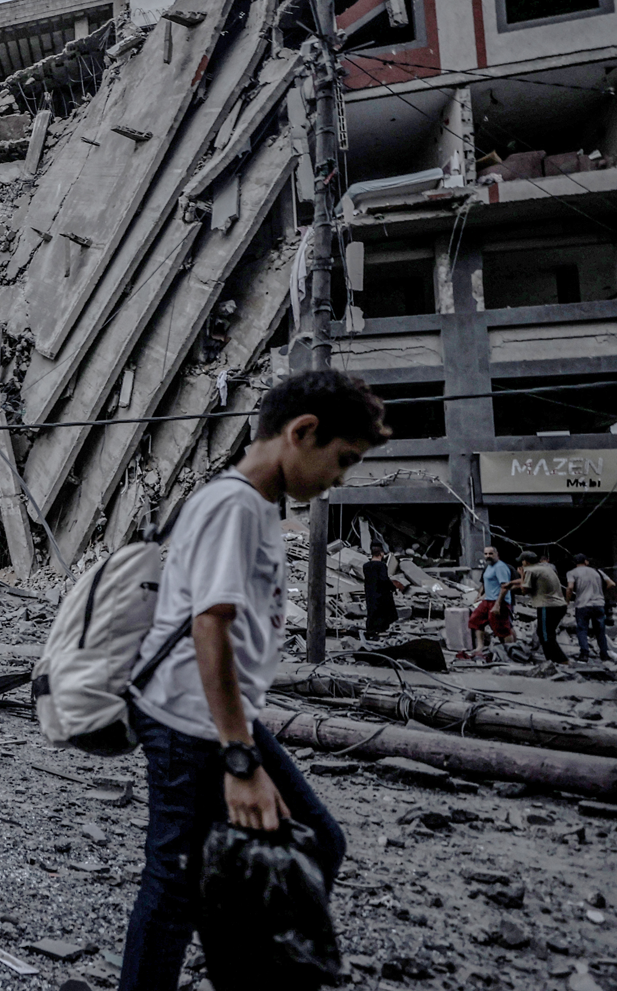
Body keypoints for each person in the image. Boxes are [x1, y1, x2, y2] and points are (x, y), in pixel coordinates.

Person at [121, 370, 386, 991]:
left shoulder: (255, 506)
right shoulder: (234, 506)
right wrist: (240, 759)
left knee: (313, 840)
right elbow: (209, 627)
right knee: (173, 886)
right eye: (343, 459)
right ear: (303, 432)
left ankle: (246, 968)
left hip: (214, 716)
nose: (340, 478)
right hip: (188, 720)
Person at [514, 551, 568, 664]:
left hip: (547, 606)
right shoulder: (546, 568)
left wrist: (522, 575)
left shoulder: (530, 570)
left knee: (545, 635)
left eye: (522, 562)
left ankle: (559, 660)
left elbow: (524, 590)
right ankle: (554, 659)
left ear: (526, 562)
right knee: (547, 633)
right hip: (559, 605)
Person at [565, 553, 616, 662]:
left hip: (582, 605)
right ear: (586, 562)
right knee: (600, 631)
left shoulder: (572, 573)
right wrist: (601, 592)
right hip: (599, 604)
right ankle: (604, 654)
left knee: (582, 629)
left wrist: (567, 601)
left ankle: (584, 654)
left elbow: (570, 587)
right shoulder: (597, 571)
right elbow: (611, 584)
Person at [467, 546, 515, 655]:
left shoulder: (500, 567)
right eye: (486, 554)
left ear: (496, 554)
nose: (488, 556)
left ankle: (510, 651)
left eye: (490, 554)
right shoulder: (489, 566)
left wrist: (498, 604)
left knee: (502, 628)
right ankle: (480, 647)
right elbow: (487, 583)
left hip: (499, 601)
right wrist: (481, 595)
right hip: (487, 600)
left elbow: (504, 587)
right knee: (476, 620)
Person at [361, 543, 401, 637]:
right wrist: (392, 587)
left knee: (372, 611)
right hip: (381, 592)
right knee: (383, 612)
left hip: (370, 592)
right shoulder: (381, 566)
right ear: (381, 554)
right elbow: (384, 579)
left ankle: (371, 630)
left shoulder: (366, 566)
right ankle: (381, 629)